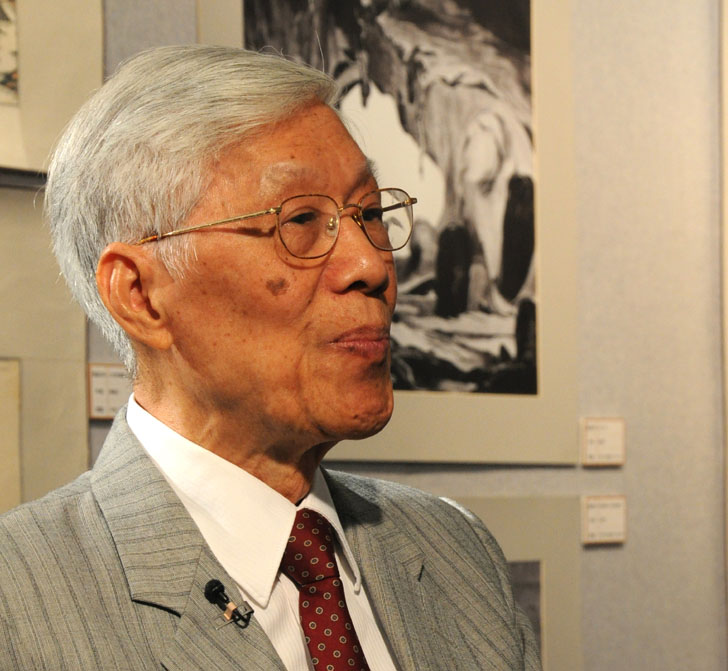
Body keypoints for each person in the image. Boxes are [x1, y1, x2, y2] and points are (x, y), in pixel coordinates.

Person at [0, 45, 540, 671]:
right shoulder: (19, 607)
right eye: (300, 220)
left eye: (369, 213)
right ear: (141, 294)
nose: (371, 264)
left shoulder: (456, 552)